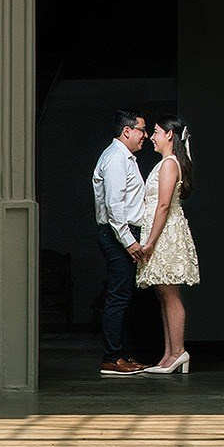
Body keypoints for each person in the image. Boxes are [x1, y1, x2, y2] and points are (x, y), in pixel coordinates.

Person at [134, 118, 200, 373]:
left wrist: (150, 242)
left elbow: (163, 205)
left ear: (169, 135)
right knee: (163, 293)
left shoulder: (169, 164)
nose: (152, 137)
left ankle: (178, 352)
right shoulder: (165, 163)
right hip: (160, 232)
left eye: (156, 132)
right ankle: (168, 354)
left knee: (170, 294)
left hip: (165, 234)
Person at [92, 111, 151, 376]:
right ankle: (112, 358)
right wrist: (128, 241)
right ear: (127, 131)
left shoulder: (124, 158)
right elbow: (114, 205)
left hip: (123, 235)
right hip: (118, 236)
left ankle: (123, 355)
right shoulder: (116, 159)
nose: (145, 135)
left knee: (125, 297)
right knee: (118, 297)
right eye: (142, 129)